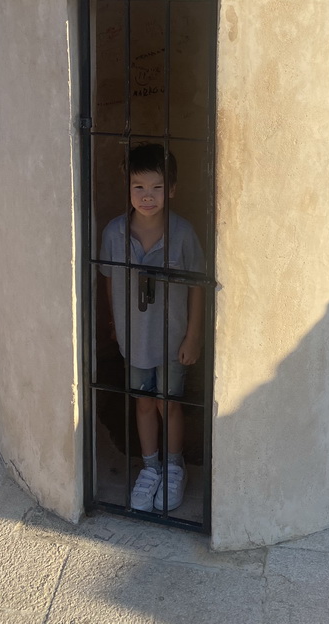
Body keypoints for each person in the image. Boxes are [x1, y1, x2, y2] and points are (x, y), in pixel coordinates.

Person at [99, 144, 205, 513]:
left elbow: (197, 287)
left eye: (157, 187)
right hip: (134, 339)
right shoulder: (114, 233)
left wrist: (193, 336)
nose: (147, 196)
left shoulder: (183, 233)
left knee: (169, 404)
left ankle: (174, 467)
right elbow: (111, 282)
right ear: (127, 188)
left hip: (173, 339)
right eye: (138, 187)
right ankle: (150, 467)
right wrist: (115, 325)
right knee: (143, 403)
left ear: (172, 189)